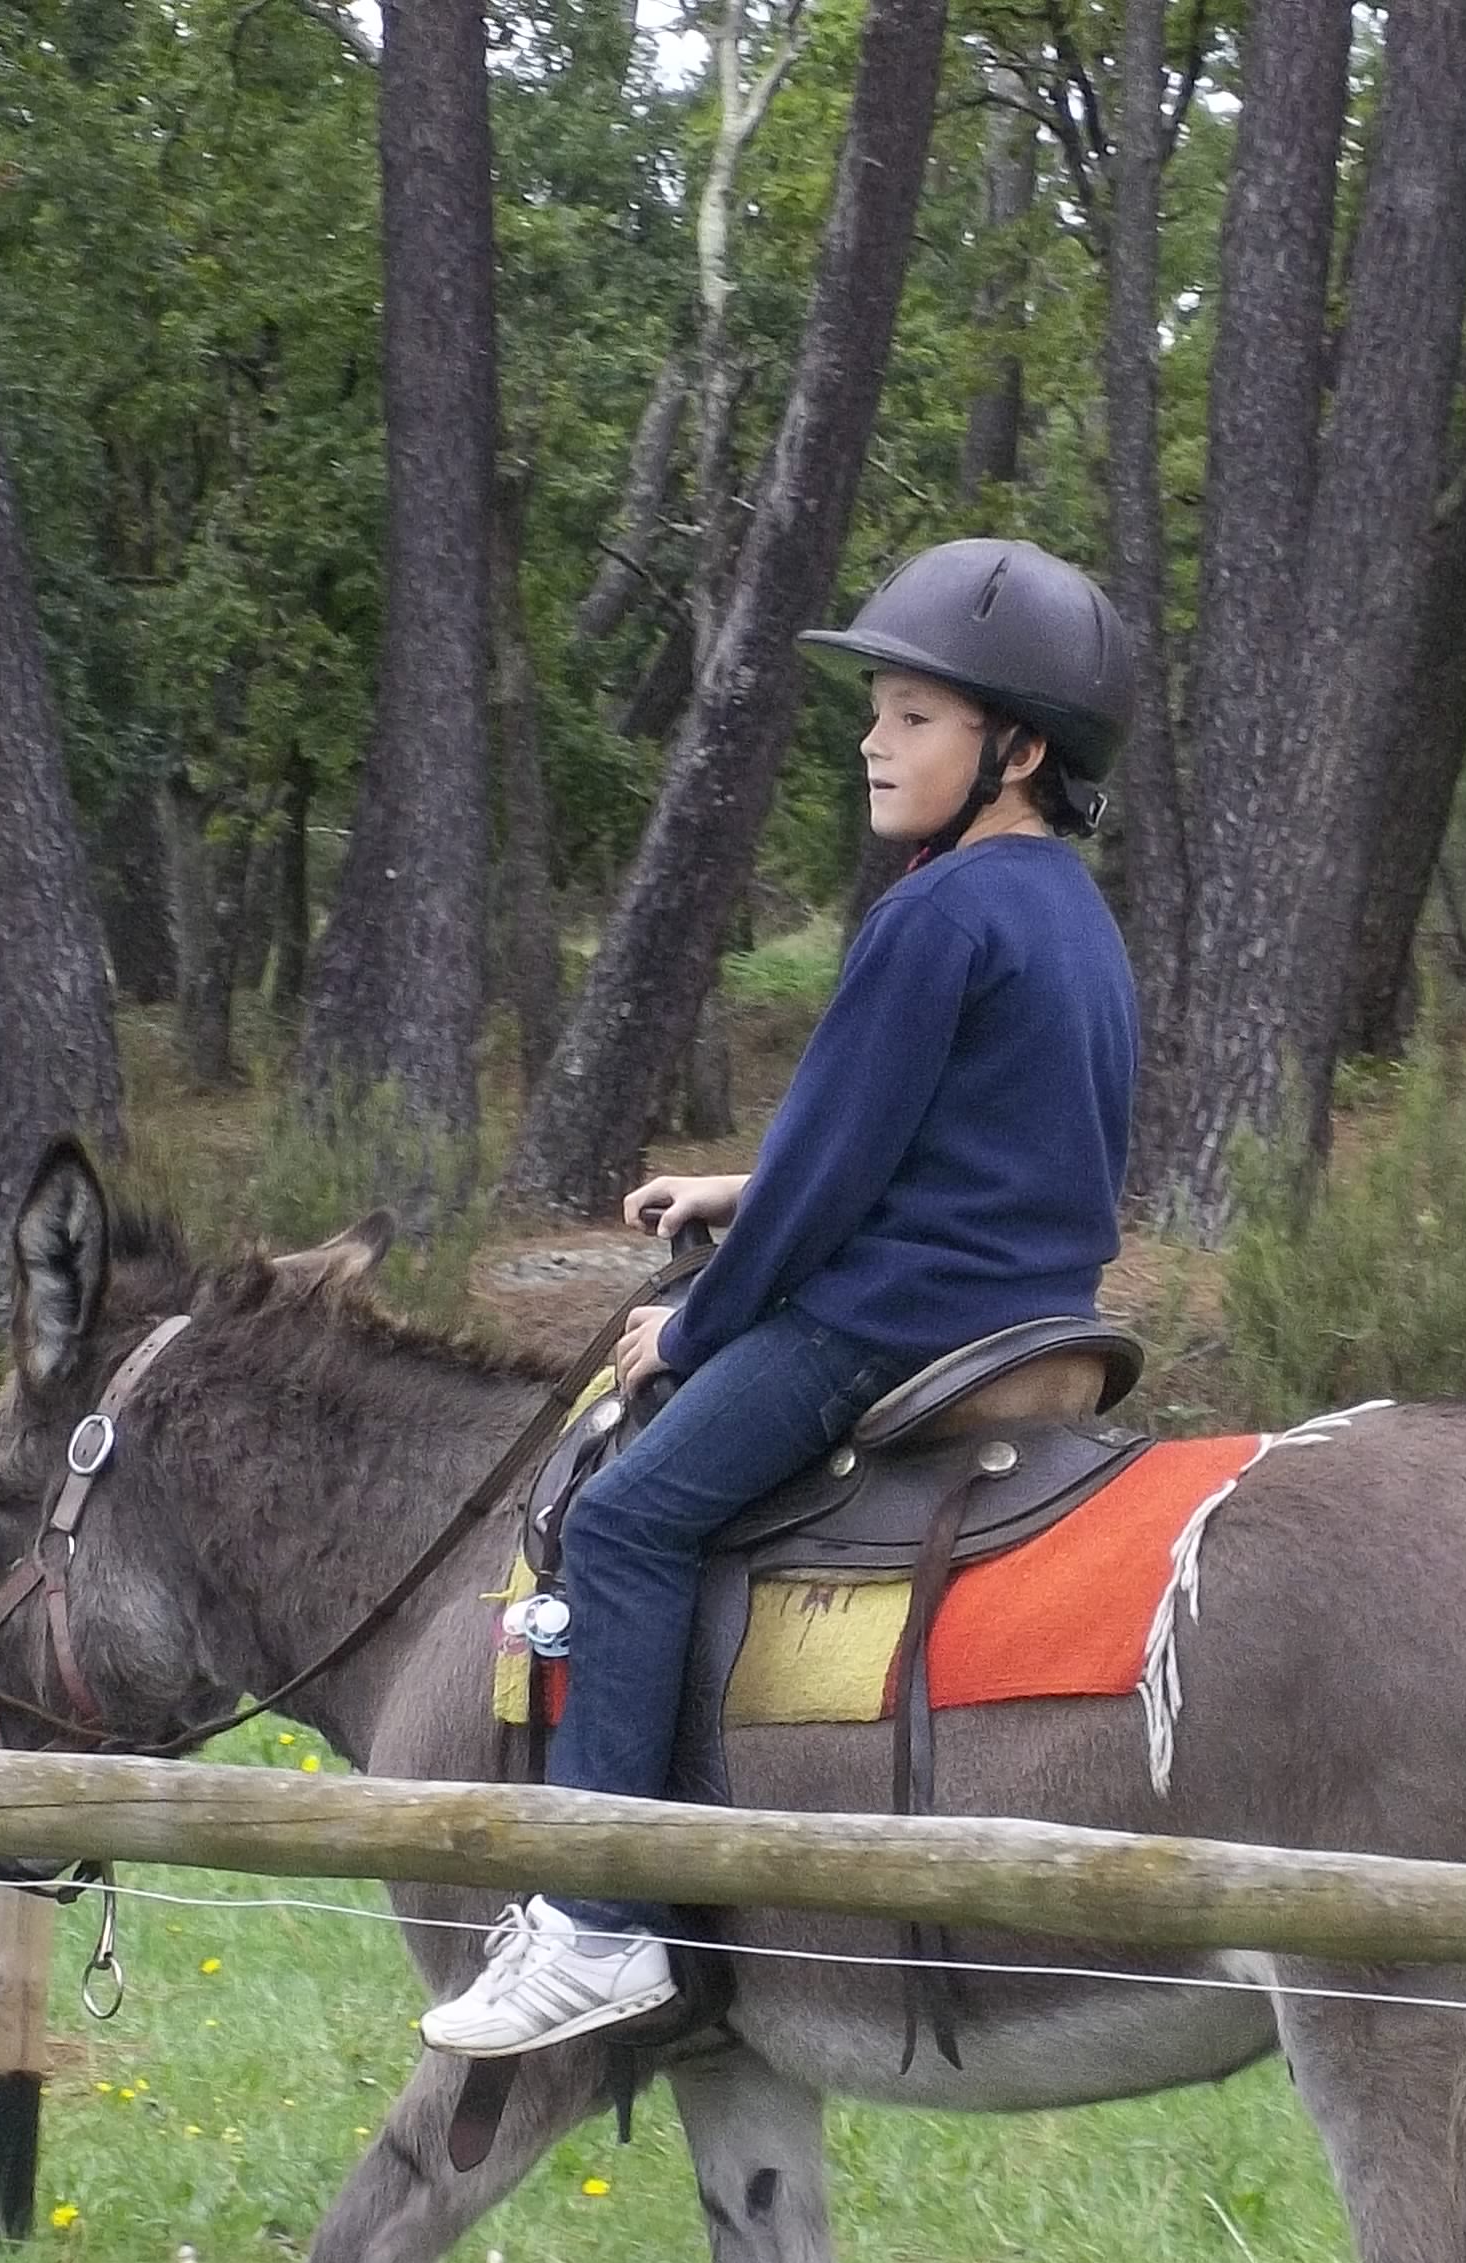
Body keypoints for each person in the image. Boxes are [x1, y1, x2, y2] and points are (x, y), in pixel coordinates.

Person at [423, 539, 1139, 2059]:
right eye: (875, 709)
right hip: (1035, 1308)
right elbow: (947, 1136)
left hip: (900, 1318)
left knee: (625, 1518)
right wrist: (737, 1189)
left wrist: (691, 1320)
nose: (874, 741)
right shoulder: (1061, 907)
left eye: (914, 716)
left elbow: (833, 1190)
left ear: (1016, 750)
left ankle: (610, 1922)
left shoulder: (933, 917)